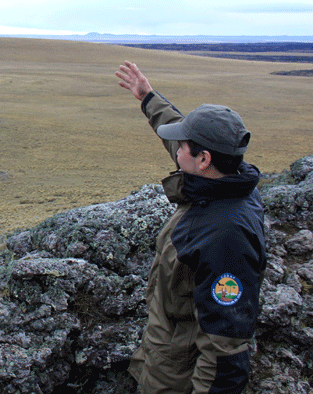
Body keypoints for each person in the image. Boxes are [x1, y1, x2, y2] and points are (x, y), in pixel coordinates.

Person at [115, 61, 267, 394]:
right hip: (163, 355)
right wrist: (147, 97)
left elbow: (224, 353)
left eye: (183, 147)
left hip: (176, 379)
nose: (176, 150)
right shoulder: (227, 181)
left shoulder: (225, 236)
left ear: (204, 160)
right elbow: (180, 136)